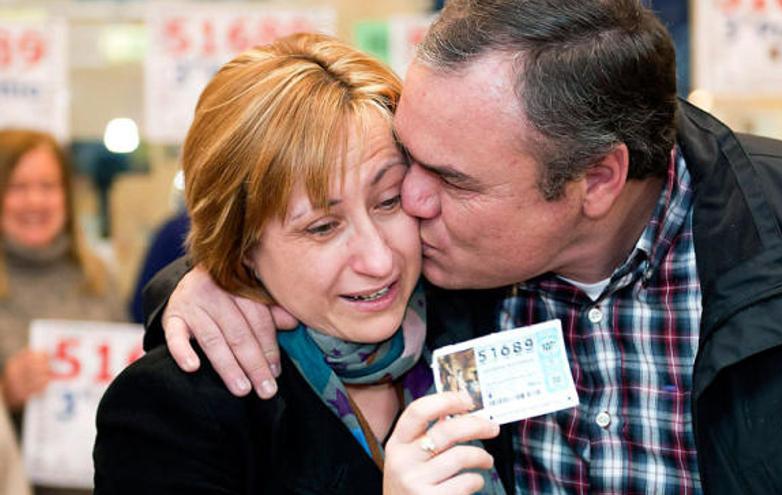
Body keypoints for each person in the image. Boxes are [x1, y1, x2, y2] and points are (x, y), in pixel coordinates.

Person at [145, 0, 782, 493]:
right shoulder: (443, 263)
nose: (414, 209)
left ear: (597, 179)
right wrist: (209, 280)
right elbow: (306, 239)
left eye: (452, 181)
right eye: (410, 162)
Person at [93, 32, 502, 495]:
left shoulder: (482, 312)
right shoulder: (173, 411)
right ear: (243, 245)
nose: (379, 258)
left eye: (388, 201)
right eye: (322, 228)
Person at [0, 129, 125, 495]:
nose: (35, 201)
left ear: (66, 196)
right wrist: (5, 393)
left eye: (48, 186)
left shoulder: (100, 277)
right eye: (17, 187)